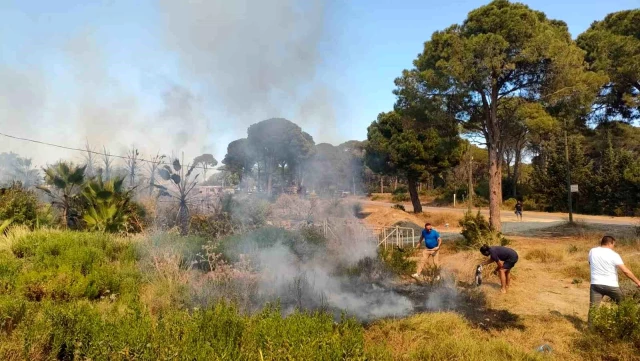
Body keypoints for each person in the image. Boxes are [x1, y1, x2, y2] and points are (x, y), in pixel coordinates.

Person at [588, 236, 640, 323]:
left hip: (595, 284)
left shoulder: (592, 251)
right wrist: (637, 281)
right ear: (610, 243)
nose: (613, 246)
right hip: (611, 285)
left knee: (593, 308)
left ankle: (590, 331)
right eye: (613, 244)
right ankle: (625, 325)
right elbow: (625, 271)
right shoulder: (614, 255)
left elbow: (590, 263)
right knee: (624, 305)